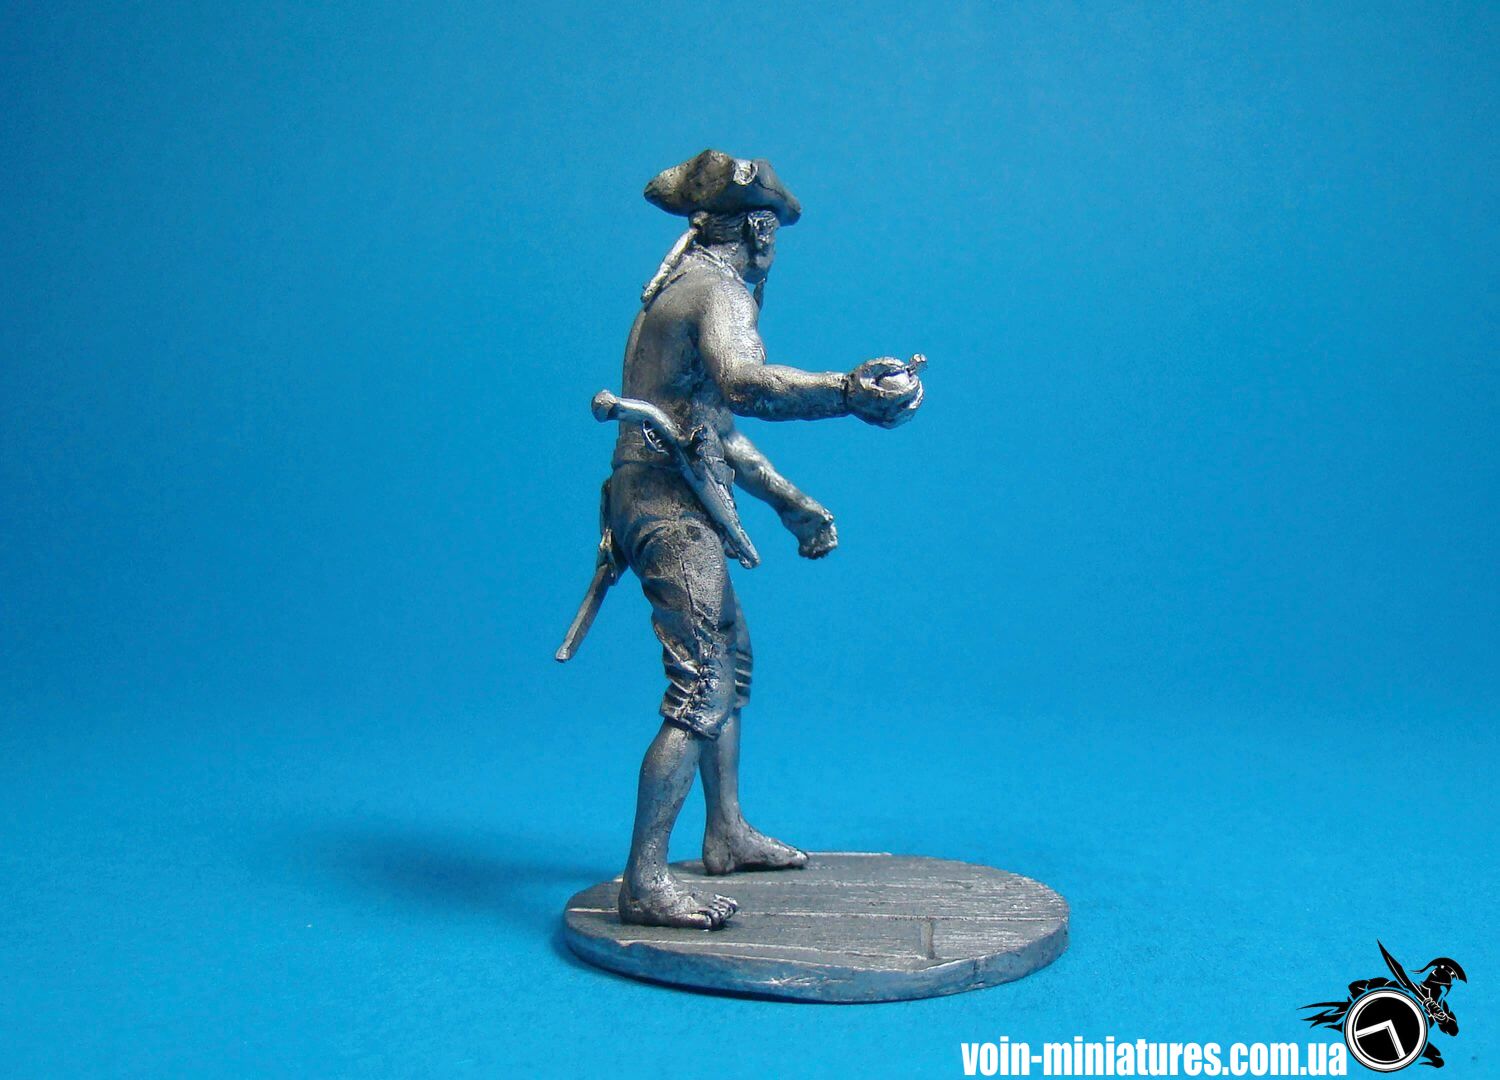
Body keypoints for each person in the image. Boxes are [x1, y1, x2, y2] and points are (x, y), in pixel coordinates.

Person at [604, 150, 924, 929]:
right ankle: (645, 880)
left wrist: (791, 503)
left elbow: (710, 430)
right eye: (770, 233)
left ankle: (725, 832)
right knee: (701, 687)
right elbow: (746, 386)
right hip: (669, 509)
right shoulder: (718, 291)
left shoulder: (680, 289)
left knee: (729, 663)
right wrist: (849, 393)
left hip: (661, 496)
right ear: (758, 230)